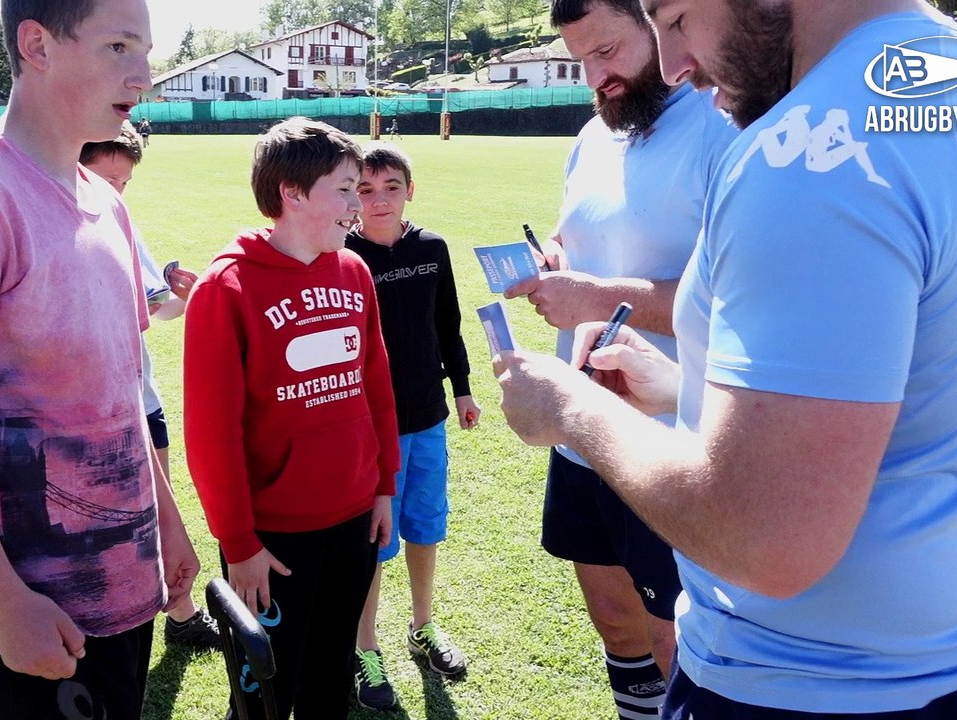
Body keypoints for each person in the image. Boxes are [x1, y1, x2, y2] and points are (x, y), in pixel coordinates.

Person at [494, 1, 957, 718]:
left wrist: (569, 406)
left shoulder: (806, 148)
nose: (677, 63)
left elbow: (762, 539)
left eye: (677, 16)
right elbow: (914, 388)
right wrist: (681, 388)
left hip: (806, 687)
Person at [0, 2, 201, 719]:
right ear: (37, 45)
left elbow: (119, 389)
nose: (142, 74)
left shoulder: (106, 205)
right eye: (119, 46)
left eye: (145, 50)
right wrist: (4, 602)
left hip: (125, 583)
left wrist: (167, 525)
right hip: (33, 608)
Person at [500, 2, 736, 717]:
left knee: (676, 638)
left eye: (608, 50)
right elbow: (591, 244)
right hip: (584, 424)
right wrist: (561, 268)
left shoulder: (722, 127)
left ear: (659, 27)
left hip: (674, 434)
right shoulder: (591, 137)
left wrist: (596, 293)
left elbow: (736, 294)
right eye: (580, 61)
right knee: (612, 612)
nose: (596, 77)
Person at [183, 116, 400, 720]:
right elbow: (210, 433)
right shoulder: (224, 288)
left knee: (330, 681)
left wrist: (383, 485)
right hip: (272, 541)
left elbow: (374, 389)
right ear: (292, 193)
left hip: (355, 518)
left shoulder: (354, 271)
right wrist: (239, 542)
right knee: (264, 696)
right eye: (344, 189)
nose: (358, 205)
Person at [344, 143, 481, 710]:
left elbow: (446, 322)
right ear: (352, 196)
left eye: (391, 187)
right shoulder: (341, 256)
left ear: (410, 190)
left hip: (428, 418)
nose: (379, 201)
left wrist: (464, 387)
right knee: (374, 543)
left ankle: (423, 628)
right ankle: (364, 648)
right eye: (366, 190)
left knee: (425, 527)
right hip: (370, 427)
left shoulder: (432, 248)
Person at [78, 127, 219, 650]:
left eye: (125, 181)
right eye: (105, 177)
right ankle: (147, 616)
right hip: (93, 410)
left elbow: (159, 311)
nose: (115, 190)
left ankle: (180, 614)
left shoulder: (120, 223)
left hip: (143, 400)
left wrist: (191, 292)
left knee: (155, 509)